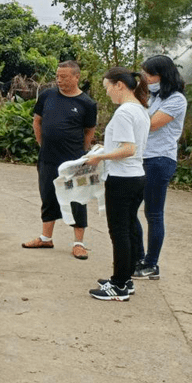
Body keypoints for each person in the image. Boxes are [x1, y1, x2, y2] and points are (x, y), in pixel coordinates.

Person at [85, 68, 150, 302]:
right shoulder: (140, 110)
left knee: (120, 232)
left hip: (122, 179)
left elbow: (128, 149)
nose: (107, 93)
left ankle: (120, 285)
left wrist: (100, 157)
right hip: (136, 177)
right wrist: (105, 150)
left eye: (107, 87)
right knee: (130, 228)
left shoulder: (124, 112)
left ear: (119, 85)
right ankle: (125, 279)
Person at [22, 61, 98, 259]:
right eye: (58, 76)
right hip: (47, 157)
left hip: (74, 161)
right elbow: (37, 120)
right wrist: (41, 143)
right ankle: (46, 238)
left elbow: (89, 130)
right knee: (47, 196)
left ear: (76, 77)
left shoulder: (87, 103)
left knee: (77, 198)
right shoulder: (47, 95)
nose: (59, 80)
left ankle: (78, 243)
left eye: (64, 77)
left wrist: (82, 151)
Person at [132, 55, 187, 280]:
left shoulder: (176, 99)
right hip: (142, 158)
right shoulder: (152, 97)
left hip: (159, 160)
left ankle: (151, 264)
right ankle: (139, 257)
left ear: (163, 75)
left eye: (150, 74)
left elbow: (151, 125)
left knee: (153, 213)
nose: (146, 77)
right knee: (128, 210)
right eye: (144, 73)